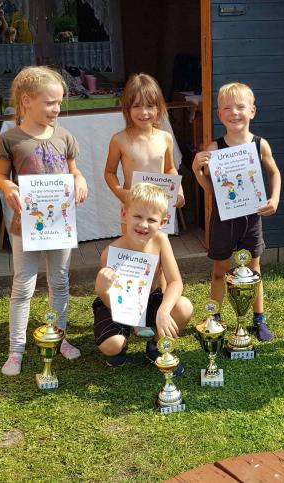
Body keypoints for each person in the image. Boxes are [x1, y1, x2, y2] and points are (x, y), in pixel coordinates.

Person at [0, 66, 88, 376]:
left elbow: (73, 169)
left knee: (59, 282)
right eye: (49, 102)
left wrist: (80, 178)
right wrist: (8, 186)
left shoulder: (64, 137)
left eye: (59, 102)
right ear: (26, 101)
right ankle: (16, 350)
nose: (56, 109)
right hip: (26, 227)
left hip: (59, 225)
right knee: (24, 286)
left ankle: (59, 337)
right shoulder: (10, 139)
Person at [191, 82, 282, 341]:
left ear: (252, 110)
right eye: (227, 108)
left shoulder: (260, 144)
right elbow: (210, 188)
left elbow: (274, 172)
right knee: (220, 268)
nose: (234, 113)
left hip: (252, 218)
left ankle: (258, 319)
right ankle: (215, 317)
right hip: (223, 218)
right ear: (219, 114)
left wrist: (274, 198)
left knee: (253, 268)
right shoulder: (214, 148)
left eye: (240, 107)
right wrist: (197, 170)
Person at [104, 73, 185, 337]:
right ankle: (134, 315)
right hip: (134, 213)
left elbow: (170, 168)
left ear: (159, 108)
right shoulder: (119, 139)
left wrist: (179, 188)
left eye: (150, 106)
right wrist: (122, 193)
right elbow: (109, 172)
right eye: (137, 105)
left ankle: (158, 310)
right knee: (135, 261)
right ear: (127, 108)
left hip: (158, 213)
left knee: (159, 259)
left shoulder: (165, 138)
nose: (144, 112)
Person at [93, 183, 194, 368]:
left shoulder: (161, 240)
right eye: (137, 216)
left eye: (152, 219)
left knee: (184, 307)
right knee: (111, 345)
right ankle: (121, 342)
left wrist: (163, 311)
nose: (143, 224)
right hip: (117, 304)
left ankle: (156, 344)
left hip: (150, 298)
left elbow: (175, 282)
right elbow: (112, 301)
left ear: (162, 222)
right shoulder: (110, 252)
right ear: (124, 214)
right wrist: (102, 292)